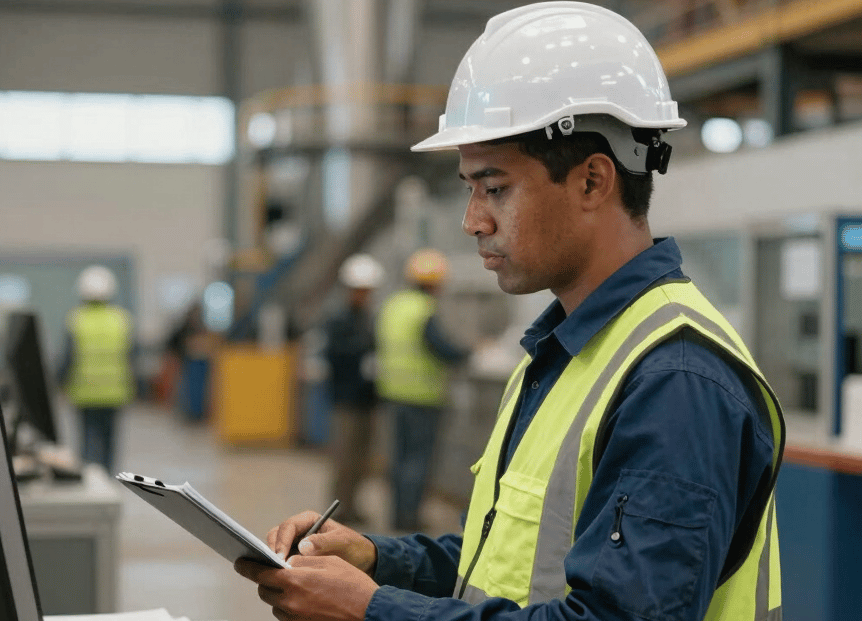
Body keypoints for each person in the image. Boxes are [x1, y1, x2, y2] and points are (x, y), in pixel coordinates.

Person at [234, 3, 785, 621]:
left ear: (592, 181)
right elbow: (503, 564)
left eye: (495, 188)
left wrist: (373, 610)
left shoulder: (675, 382)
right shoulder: (562, 355)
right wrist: (378, 561)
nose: (473, 220)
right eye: (470, 189)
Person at [376, 248, 470, 532]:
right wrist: (468, 353)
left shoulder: (393, 305)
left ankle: (396, 515)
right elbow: (439, 348)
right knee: (417, 461)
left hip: (393, 393)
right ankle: (409, 517)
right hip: (423, 396)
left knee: (398, 458)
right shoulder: (424, 310)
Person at [323, 253, 386, 527]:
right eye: (360, 290)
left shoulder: (369, 319)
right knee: (344, 458)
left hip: (367, 400)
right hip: (346, 401)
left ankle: (353, 506)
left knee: (362, 459)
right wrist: (363, 351)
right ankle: (338, 510)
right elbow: (334, 355)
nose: (364, 296)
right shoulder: (338, 321)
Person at [60, 265, 135, 474]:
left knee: (86, 442)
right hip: (114, 392)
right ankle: (108, 478)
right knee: (110, 442)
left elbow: (68, 358)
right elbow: (131, 357)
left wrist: (60, 384)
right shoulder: (121, 319)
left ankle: (88, 480)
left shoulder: (76, 319)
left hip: (85, 392)